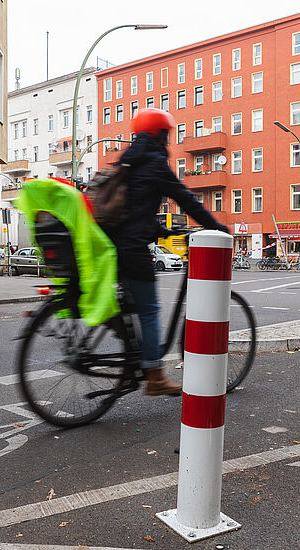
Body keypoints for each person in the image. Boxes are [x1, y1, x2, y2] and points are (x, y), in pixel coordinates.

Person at [106, 108, 229, 396]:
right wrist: (216, 226)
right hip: (132, 249)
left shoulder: (130, 161)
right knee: (150, 310)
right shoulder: (154, 163)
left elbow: (135, 212)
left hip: (112, 245)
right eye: (168, 136)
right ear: (161, 135)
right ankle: (155, 376)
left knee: (129, 305)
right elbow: (185, 199)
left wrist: (164, 231)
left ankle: (131, 353)